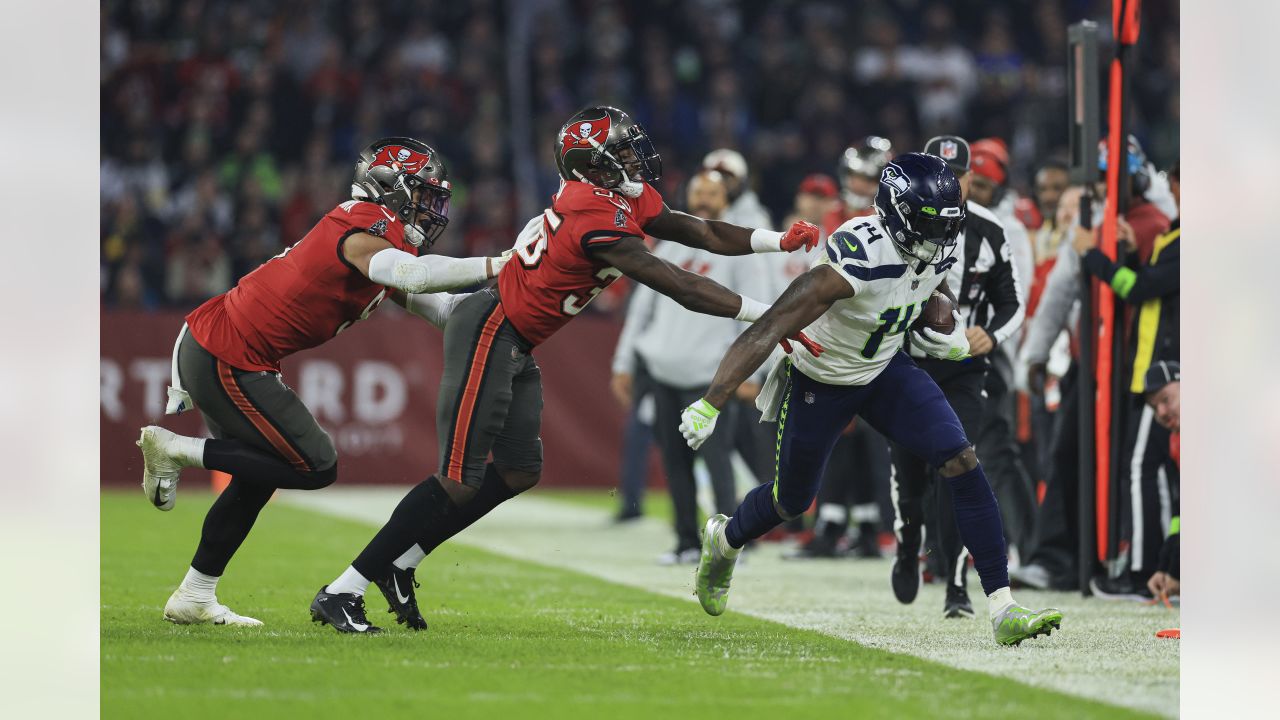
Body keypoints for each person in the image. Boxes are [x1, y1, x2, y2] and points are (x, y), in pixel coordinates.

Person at [311, 106, 822, 633]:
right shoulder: (593, 217)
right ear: (592, 166)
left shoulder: (611, 198)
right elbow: (681, 285)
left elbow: (699, 231)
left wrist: (774, 240)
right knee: (458, 478)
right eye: (619, 154)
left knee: (517, 471)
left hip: (515, 339)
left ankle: (403, 561)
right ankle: (344, 588)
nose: (633, 161)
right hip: (491, 328)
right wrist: (772, 316)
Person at [679, 153, 1062, 646]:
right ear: (899, 215)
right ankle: (725, 539)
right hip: (822, 377)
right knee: (792, 501)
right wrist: (713, 399)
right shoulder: (855, 259)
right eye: (930, 222)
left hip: (884, 367)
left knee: (962, 459)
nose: (943, 235)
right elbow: (773, 322)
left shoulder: (932, 241)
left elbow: (929, 280)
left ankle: (1002, 605)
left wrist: (939, 318)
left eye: (948, 223)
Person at [133, 137, 509, 627]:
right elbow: (413, 276)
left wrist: (502, 309)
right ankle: (178, 450)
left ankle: (194, 595)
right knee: (316, 463)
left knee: (258, 477)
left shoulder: (381, 238)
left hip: (227, 348)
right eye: (422, 194)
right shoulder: (366, 225)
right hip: (225, 350)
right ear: (390, 189)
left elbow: (433, 305)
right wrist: (497, 264)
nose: (431, 209)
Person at [887, 136, 1025, 619]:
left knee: (959, 464)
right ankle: (909, 544)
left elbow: (1014, 302)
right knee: (908, 472)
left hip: (964, 366)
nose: (951, 184)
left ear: (969, 179)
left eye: (958, 176)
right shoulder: (896, 218)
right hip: (905, 360)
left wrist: (991, 333)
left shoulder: (990, 229)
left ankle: (957, 582)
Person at [611, 170, 776, 563]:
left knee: (719, 465)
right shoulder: (670, 242)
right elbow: (641, 308)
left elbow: (765, 308)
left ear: (727, 198)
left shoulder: (738, 245)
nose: (703, 199)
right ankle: (686, 541)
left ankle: (731, 543)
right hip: (663, 370)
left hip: (711, 376)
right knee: (676, 462)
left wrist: (753, 373)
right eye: (698, 191)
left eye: (712, 193)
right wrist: (623, 362)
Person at [1075, 158, 1180, 599]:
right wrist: (1134, 254)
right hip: (1155, 369)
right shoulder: (1173, 234)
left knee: (1142, 469)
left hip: (1164, 371)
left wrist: (1094, 257)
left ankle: (1139, 574)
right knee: (1159, 474)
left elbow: (1140, 288)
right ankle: (1157, 568)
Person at [1141, 361, 1179, 601]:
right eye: (1155, 407)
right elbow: (1181, 514)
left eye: (1166, 399)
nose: (1162, 413)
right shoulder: (1177, 441)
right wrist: (1165, 567)